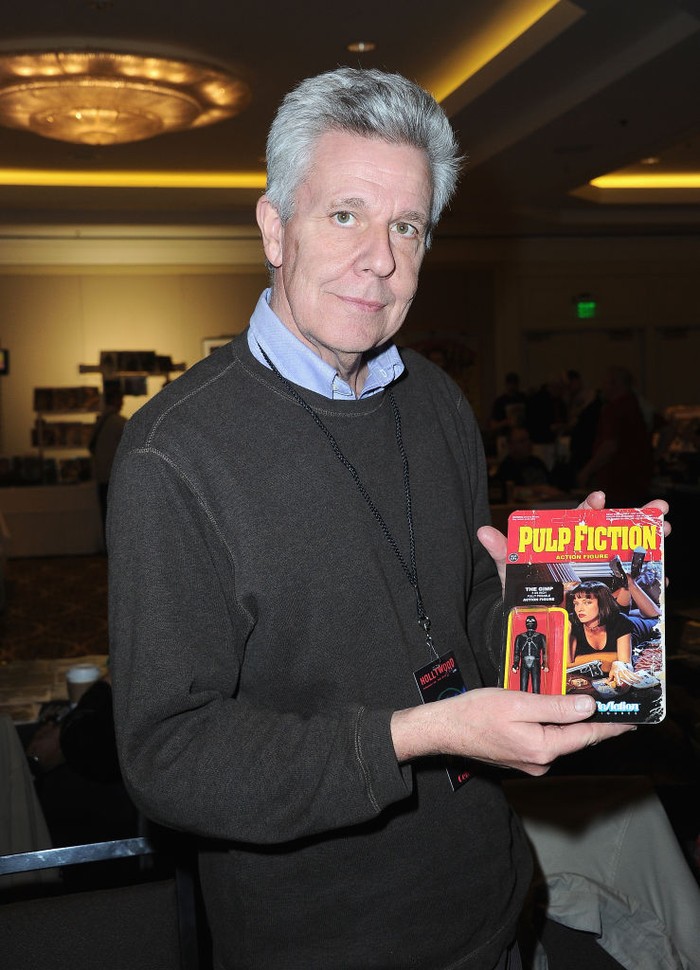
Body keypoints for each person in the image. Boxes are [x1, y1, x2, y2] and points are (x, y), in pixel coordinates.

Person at [108, 67, 650, 970]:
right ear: (275, 228)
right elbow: (169, 755)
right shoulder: (173, 453)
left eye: (408, 226)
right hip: (324, 940)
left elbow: (466, 605)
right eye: (347, 214)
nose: (383, 260)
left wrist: (569, 589)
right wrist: (421, 733)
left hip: (490, 900)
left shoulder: (435, 399)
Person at [577, 366, 653, 507]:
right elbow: (667, 428)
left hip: (618, 482)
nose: (602, 388)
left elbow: (609, 446)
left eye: (605, 383)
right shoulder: (640, 405)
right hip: (639, 481)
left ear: (615, 384)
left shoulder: (614, 409)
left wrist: (586, 471)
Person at [567, 581, 646, 688]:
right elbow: (567, 665)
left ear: (602, 603)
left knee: (655, 619)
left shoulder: (620, 621)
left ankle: (629, 583)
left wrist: (618, 663)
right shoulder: (572, 622)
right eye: (576, 603)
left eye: (587, 602)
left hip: (639, 626)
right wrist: (566, 635)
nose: (579, 609)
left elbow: (625, 664)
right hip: (613, 617)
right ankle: (626, 585)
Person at [89, 387, 127, 536]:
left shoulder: (100, 421)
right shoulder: (119, 422)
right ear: (116, 401)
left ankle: (108, 547)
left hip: (102, 474)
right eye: (121, 400)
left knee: (106, 514)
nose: (122, 403)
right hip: (114, 476)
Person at [512, 615, 548, 694]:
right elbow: (516, 652)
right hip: (525, 662)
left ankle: (535, 703)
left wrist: (545, 663)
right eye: (528, 622)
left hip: (535, 662)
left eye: (532, 622)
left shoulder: (541, 637)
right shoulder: (520, 637)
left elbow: (545, 651)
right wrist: (515, 664)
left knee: (536, 687)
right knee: (523, 688)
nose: (530, 623)